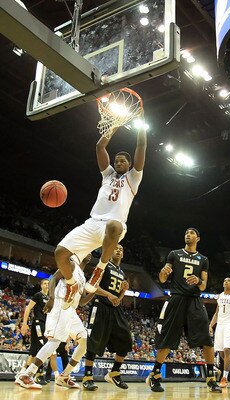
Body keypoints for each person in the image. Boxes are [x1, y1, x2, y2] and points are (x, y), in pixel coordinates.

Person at [55, 113, 147, 308]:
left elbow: (141, 147)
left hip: (113, 228)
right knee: (60, 253)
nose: (118, 163)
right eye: (116, 160)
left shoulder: (133, 178)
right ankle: (72, 285)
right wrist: (114, 125)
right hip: (92, 223)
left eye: (122, 161)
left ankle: (100, 269)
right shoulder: (107, 175)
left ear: (129, 164)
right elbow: (99, 147)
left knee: (114, 225)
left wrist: (141, 125)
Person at [146, 228, 222, 393]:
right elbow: (162, 278)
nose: (188, 234)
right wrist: (163, 272)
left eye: (192, 233)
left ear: (198, 238)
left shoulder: (203, 259)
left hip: (195, 300)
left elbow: (203, 286)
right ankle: (155, 375)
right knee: (167, 339)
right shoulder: (174, 254)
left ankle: (210, 378)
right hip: (177, 298)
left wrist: (198, 281)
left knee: (207, 339)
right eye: (186, 232)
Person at [16, 255, 91, 389]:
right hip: (61, 305)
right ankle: (27, 374)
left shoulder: (82, 276)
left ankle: (64, 376)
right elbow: (53, 279)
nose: (89, 254)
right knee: (54, 342)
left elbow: (83, 302)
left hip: (72, 310)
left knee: (85, 341)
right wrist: (51, 298)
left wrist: (95, 291)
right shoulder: (71, 264)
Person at [80, 244, 131, 391]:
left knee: (126, 340)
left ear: (123, 254)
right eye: (115, 248)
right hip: (100, 305)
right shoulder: (103, 265)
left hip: (115, 309)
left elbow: (119, 298)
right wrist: (108, 294)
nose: (118, 250)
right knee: (94, 339)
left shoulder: (122, 273)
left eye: (121, 249)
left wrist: (123, 291)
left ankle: (114, 373)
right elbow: (92, 285)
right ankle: (87, 377)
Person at [17, 279, 58, 385]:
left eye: (48, 284)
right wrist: (24, 323)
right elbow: (28, 308)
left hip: (47, 325)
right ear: (41, 285)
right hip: (38, 323)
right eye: (45, 283)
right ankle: (39, 374)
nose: (47, 285)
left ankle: (22, 371)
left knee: (34, 352)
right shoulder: (38, 295)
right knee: (43, 347)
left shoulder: (51, 298)